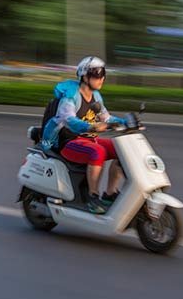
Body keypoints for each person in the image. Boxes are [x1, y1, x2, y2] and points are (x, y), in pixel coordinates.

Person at [41, 56, 126, 214]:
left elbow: (106, 118)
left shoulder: (96, 96)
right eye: (97, 74)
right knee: (97, 152)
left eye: (103, 74)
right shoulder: (71, 96)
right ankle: (92, 197)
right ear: (85, 76)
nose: (102, 78)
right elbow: (69, 120)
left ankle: (109, 194)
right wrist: (91, 126)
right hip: (68, 141)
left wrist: (127, 122)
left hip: (88, 139)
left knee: (122, 150)